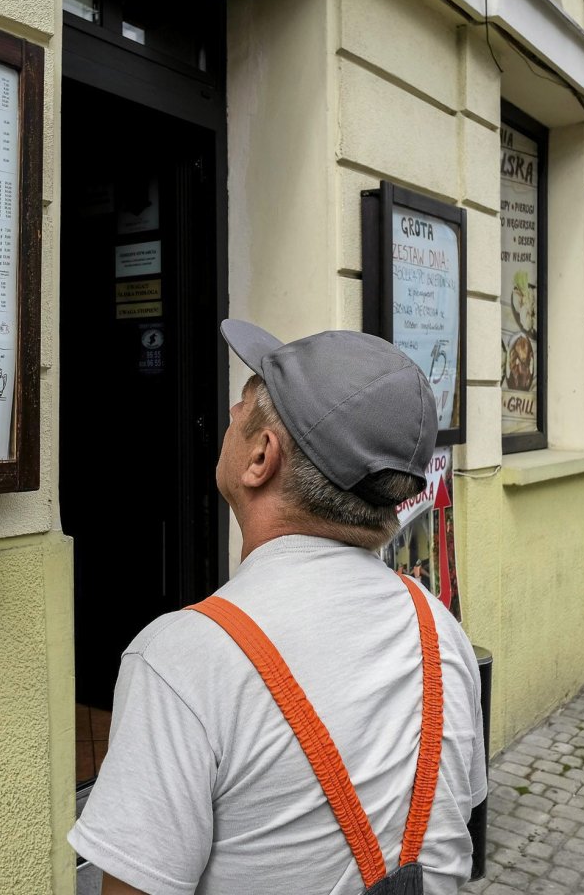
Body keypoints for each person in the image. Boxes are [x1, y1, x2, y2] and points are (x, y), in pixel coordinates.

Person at [69, 320, 487, 895]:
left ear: (261, 457)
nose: (232, 415)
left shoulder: (184, 660)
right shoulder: (439, 629)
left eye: (245, 403)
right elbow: (457, 812)